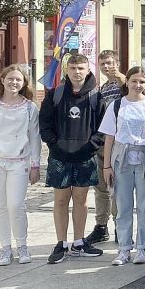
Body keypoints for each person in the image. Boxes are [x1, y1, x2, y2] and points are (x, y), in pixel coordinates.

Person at [39, 53, 106, 264]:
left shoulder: (96, 96)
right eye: (73, 68)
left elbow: (103, 128)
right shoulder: (55, 95)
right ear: (67, 70)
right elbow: (45, 125)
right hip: (60, 157)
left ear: (88, 70)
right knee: (60, 200)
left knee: (81, 200)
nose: (77, 72)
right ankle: (61, 243)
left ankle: (79, 242)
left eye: (81, 68)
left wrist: (91, 147)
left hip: (85, 157)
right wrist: (55, 144)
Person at [0, 65, 41, 266]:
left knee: (16, 205)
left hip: (19, 163)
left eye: (18, 80)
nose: (14, 83)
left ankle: (22, 245)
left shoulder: (29, 107)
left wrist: (36, 164)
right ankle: (5, 248)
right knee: (0, 207)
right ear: (2, 80)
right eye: (10, 79)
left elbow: (34, 136)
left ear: (24, 84)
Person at [101, 67, 145, 267]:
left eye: (142, 81)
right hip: (122, 159)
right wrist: (107, 166)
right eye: (134, 81)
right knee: (123, 206)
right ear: (127, 82)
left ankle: (142, 247)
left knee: (144, 205)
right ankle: (124, 248)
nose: (137, 85)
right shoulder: (117, 105)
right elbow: (109, 137)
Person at [86, 50, 124, 245]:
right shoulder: (102, 88)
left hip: (119, 143)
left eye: (110, 63)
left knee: (116, 187)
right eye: (103, 64)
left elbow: (134, 93)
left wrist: (121, 78)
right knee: (100, 188)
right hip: (102, 142)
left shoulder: (125, 83)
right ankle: (101, 226)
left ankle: (120, 226)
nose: (107, 67)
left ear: (117, 62)